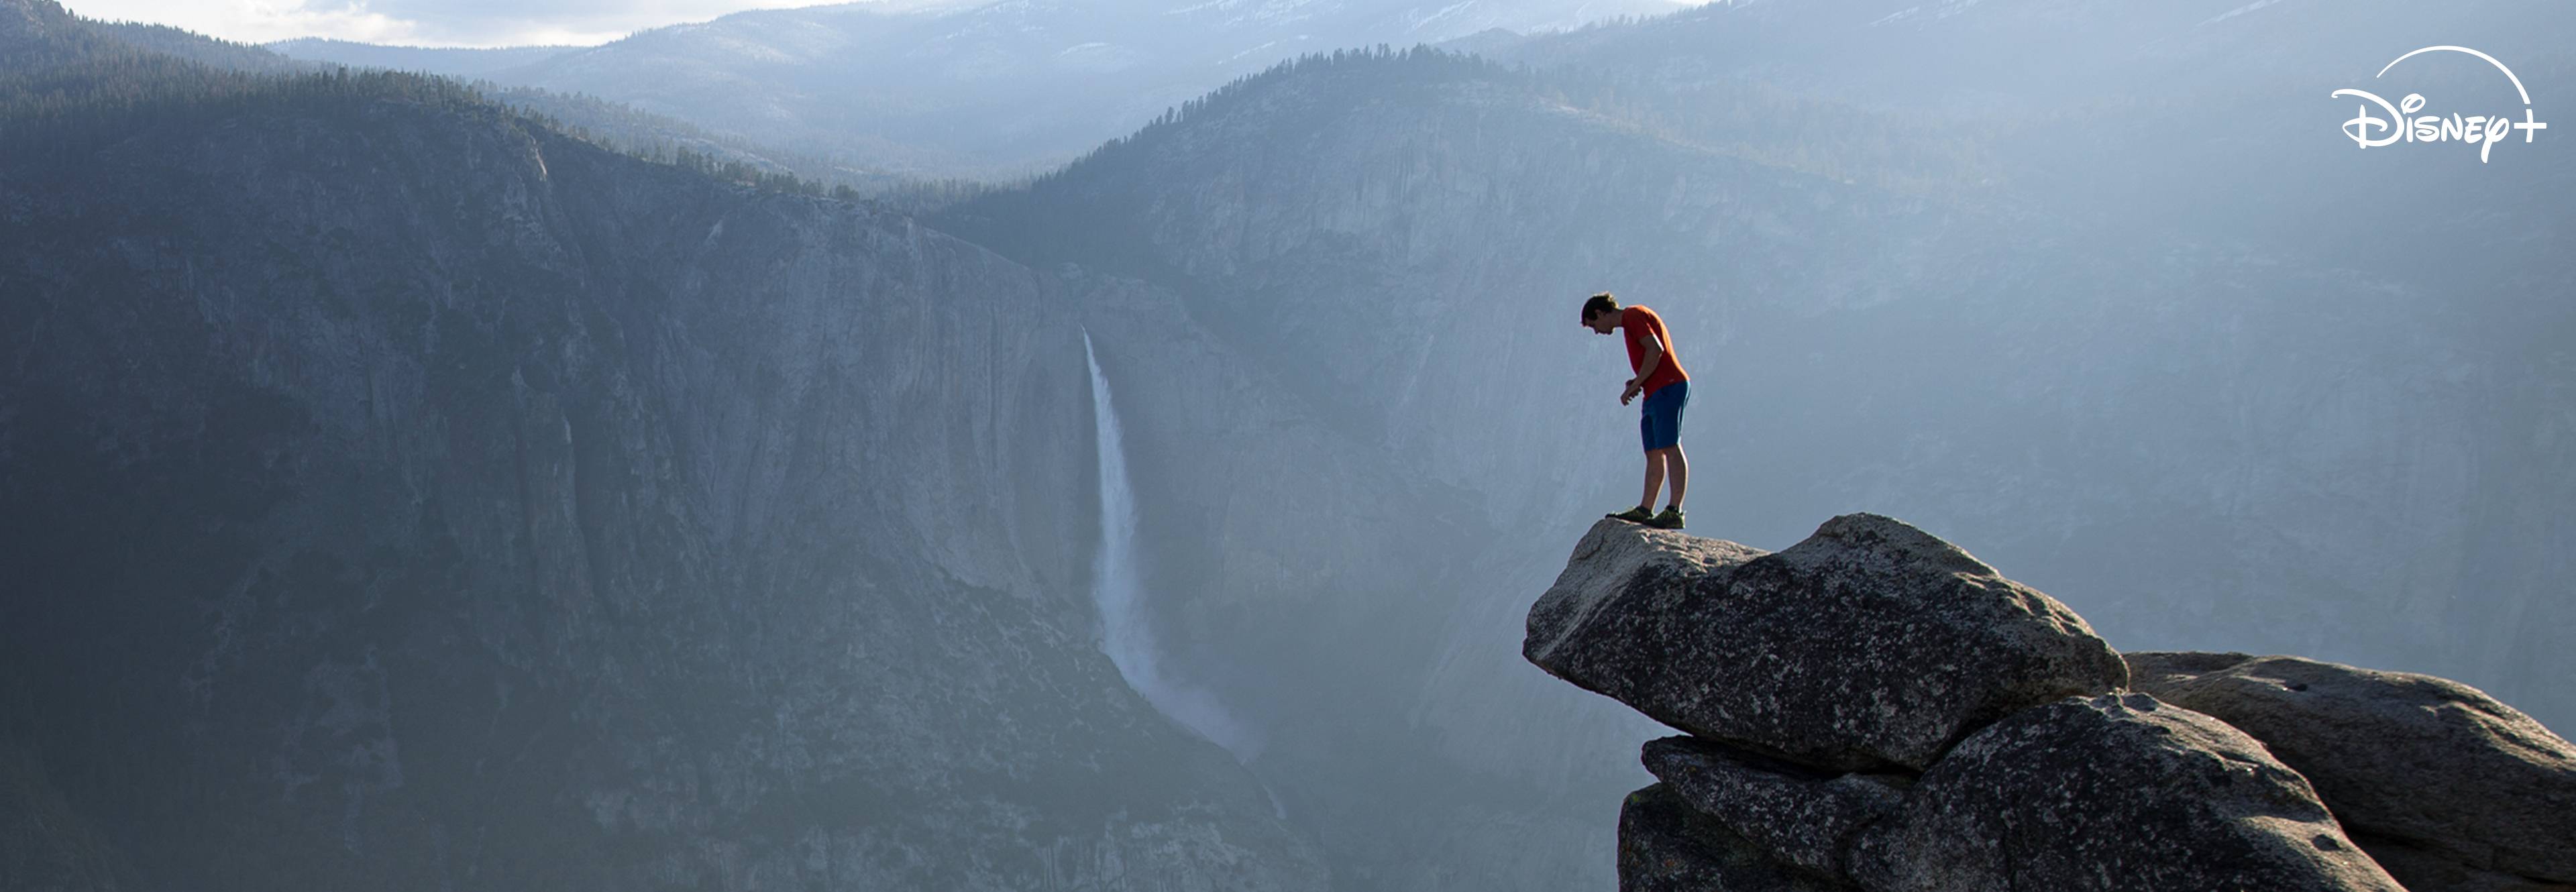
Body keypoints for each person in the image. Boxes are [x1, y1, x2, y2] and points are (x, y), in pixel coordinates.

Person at [1581, 292, 1689, 529]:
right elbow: (1651, 356)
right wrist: (1638, 381)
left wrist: (1638, 383)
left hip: (1668, 386)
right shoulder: (1631, 321)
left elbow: (1655, 349)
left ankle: (1674, 510)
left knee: (1670, 446)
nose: (1597, 332)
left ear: (1601, 313)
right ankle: (1646, 509)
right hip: (1655, 391)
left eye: (1594, 326)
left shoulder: (1633, 315)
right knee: (1653, 451)